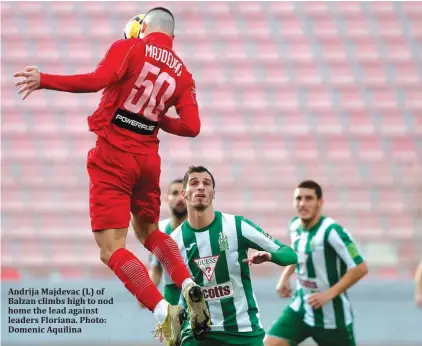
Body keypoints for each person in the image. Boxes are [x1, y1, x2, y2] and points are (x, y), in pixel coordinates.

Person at [13, 7, 210, 345]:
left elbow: (96, 80)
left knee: (110, 248)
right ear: (172, 35)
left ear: (143, 26)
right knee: (149, 232)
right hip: (148, 158)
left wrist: (45, 79)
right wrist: (160, 120)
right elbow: (192, 127)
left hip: (113, 156)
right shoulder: (183, 73)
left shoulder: (130, 49)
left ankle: (165, 312)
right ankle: (189, 284)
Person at [161, 165, 298, 346]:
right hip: (198, 334)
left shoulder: (237, 226)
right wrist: (171, 327)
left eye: (206, 183)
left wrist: (271, 257)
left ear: (213, 193)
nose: (201, 187)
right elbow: (171, 288)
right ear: (184, 194)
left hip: (242, 331)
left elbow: (289, 254)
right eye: (194, 183)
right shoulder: (173, 242)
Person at [265, 180, 369, 346]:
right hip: (301, 306)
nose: (302, 204)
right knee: (271, 343)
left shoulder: (332, 231)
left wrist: (328, 294)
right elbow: (298, 251)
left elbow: (360, 268)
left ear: (320, 202)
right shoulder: (295, 225)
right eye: (298, 198)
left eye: (309, 198)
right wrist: (285, 277)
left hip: (331, 315)